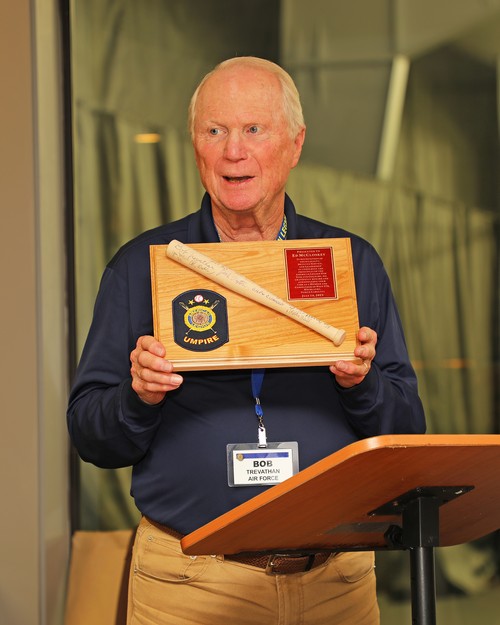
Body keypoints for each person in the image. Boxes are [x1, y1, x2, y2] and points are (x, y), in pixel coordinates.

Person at [67, 56, 426, 625]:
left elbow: (408, 429)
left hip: (336, 586)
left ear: (296, 143)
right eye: (215, 131)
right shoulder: (144, 268)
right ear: (195, 145)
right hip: (188, 587)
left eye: (254, 129)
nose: (233, 150)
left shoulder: (350, 266)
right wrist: (139, 396)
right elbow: (91, 435)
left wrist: (363, 384)